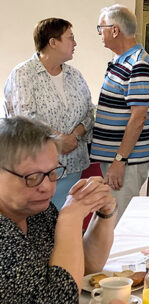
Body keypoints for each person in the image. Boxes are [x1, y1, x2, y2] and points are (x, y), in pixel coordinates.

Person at [0, 117, 116, 304]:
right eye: (32, 177)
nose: (46, 186)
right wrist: (71, 218)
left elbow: (84, 268)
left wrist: (104, 213)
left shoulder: (36, 212)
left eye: (52, 173)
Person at [4, 18, 93, 210]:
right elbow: (25, 118)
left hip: (72, 167)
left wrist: (75, 135)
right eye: (70, 38)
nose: (75, 43)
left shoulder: (74, 75)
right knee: (40, 228)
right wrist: (60, 140)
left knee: (65, 225)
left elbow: (88, 112)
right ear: (53, 42)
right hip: (36, 171)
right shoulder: (23, 74)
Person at [90, 4, 149, 220]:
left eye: (101, 28)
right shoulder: (121, 60)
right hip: (117, 158)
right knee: (110, 218)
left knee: (116, 222)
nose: (100, 34)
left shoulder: (138, 63)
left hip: (126, 160)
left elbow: (138, 118)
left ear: (115, 30)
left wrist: (119, 160)